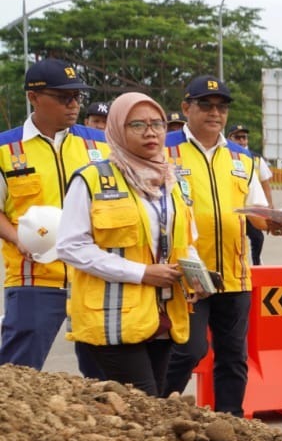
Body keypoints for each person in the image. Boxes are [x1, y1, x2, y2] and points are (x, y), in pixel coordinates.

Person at [58, 93, 209, 395]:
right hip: (112, 321)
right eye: (137, 124)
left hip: (161, 316)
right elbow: (70, 247)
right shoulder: (91, 179)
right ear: (116, 128)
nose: (150, 132)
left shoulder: (171, 180)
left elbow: (185, 240)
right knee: (144, 398)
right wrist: (141, 273)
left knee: (148, 406)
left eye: (157, 124)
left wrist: (197, 276)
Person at [161, 77, 282, 414]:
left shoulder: (243, 158)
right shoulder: (163, 150)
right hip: (186, 275)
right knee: (189, 349)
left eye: (221, 107)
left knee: (233, 356)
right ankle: (155, 409)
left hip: (233, 275)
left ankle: (230, 423)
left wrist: (272, 223)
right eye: (206, 105)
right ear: (187, 108)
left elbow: (255, 210)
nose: (215, 113)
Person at [0, 58, 107, 371]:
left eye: (77, 97)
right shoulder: (7, 149)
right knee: (18, 374)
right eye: (63, 97)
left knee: (106, 378)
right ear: (33, 98)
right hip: (34, 277)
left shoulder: (100, 144)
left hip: (95, 275)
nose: (73, 105)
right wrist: (16, 236)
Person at [228, 124, 272, 266]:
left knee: (257, 237)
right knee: (234, 238)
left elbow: (265, 182)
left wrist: (269, 206)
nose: (241, 141)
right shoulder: (222, 156)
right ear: (229, 138)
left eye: (244, 137)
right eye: (237, 137)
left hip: (251, 207)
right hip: (232, 207)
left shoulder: (256, 159)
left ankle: (257, 262)